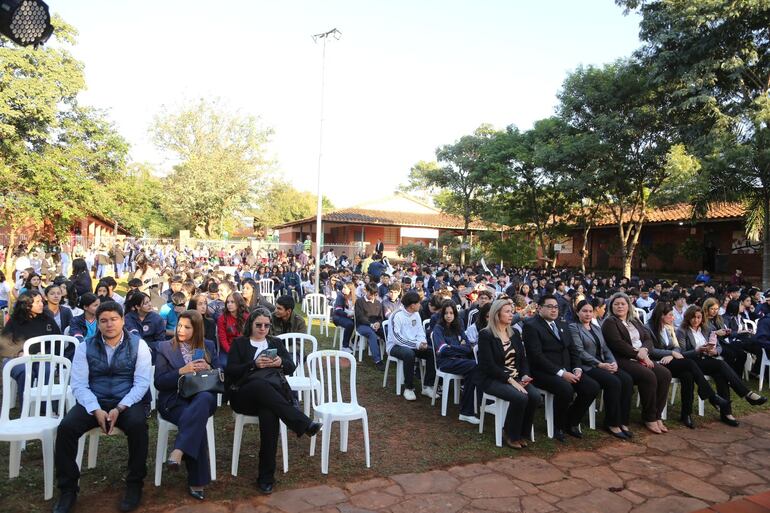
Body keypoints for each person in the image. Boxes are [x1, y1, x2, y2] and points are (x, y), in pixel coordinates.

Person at [52, 301, 152, 513]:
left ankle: (134, 484)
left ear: (123, 320)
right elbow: (79, 384)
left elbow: (142, 383)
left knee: (138, 426)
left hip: (126, 400)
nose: (109, 325)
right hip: (94, 400)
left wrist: (120, 408)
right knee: (66, 428)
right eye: (104, 321)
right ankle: (68, 489)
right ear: (97, 324)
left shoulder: (138, 345)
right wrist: (95, 409)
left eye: (114, 319)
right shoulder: (85, 346)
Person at [225, 308, 321, 494]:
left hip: (270, 399)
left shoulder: (275, 342)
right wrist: (253, 364)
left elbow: (291, 367)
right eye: (258, 325)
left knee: (269, 414)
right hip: (243, 395)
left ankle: (266, 477)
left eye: (267, 325)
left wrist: (279, 363)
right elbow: (230, 371)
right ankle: (302, 422)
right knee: (260, 386)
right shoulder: (240, 343)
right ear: (250, 324)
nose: (262, 329)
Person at [154, 310, 220, 500]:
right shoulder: (165, 347)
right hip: (174, 401)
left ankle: (178, 450)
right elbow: (159, 382)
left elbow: (221, 373)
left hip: (201, 397)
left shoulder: (208, 346)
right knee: (194, 418)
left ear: (197, 329)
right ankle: (197, 481)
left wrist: (210, 368)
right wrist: (182, 371)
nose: (181, 330)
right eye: (179, 326)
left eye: (187, 327)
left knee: (204, 400)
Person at [523, 294, 600, 442]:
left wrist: (577, 368)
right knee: (566, 389)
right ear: (539, 308)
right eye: (549, 307)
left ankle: (570, 422)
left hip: (568, 369)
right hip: (543, 372)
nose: (554, 310)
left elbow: (573, 349)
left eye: (556, 307)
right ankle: (558, 427)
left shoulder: (561, 324)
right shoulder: (531, 326)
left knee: (592, 387)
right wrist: (561, 373)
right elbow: (536, 356)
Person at [676, 305, 766, 427]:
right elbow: (681, 353)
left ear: (702, 318)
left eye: (698, 317)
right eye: (693, 317)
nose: (696, 320)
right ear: (687, 318)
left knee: (721, 375)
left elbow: (718, 346)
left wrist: (715, 351)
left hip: (708, 359)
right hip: (693, 361)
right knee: (720, 364)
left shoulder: (706, 329)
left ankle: (726, 413)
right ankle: (747, 394)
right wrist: (698, 350)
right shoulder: (682, 331)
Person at [646, 302, 729, 428]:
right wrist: (671, 353)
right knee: (690, 363)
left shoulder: (669, 327)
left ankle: (686, 414)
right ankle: (711, 396)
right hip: (657, 363)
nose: (673, 318)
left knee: (688, 375)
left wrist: (672, 354)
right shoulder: (649, 328)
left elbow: (677, 347)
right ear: (661, 316)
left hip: (671, 360)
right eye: (670, 315)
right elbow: (651, 350)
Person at [602, 292, 672, 434]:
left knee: (665, 374)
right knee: (648, 375)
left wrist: (645, 350)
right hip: (623, 359)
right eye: (616, 304)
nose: (620, 306)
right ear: (611, 307)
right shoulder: (610, 322)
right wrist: (639, 355)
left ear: (628, 306)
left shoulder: (634, 320)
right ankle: (649, 417)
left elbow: (648, 339)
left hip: (642, 356)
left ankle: (657, 415)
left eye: (623, 303)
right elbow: (618, 344)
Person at [476, 299, 542, 448]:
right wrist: (511, 381)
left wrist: (524, 375)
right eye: (507, 312)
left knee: (535, 397)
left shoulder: (514, 333)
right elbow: (489, 366)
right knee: (521, 397)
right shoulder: (486, 335)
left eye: (512, 311)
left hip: (516, 377)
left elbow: (523, 358)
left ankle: (521, 433)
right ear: (496, 314)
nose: (511, 314)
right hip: (493, 379)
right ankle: (510, 433)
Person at [568, 299, 633, 439]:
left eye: (590, 311)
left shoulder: (596, 328)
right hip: (588, 366)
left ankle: (623, 420)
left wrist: (613, 362)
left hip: (604, 363)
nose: (588, 314)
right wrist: (600, 364)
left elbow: (606, 348)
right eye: (584, 311)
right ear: (577, 312)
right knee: (613, 382)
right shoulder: (574, 327)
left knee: (627, 380)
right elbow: (580, 352)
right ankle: (612, 423)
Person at [0, 290, 62, 408]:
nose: (41, 304)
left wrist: (47, 354)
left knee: (47, 370)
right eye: (37, 302)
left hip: (42, 357)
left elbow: (57, 340)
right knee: (25, 371)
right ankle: (27, 407)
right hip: (18, 358)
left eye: (41, 301)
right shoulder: (15, 321)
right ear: (27, 305)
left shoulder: (47, 319)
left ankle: (45, 407)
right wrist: (18, 354)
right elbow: (4, 345)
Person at [432, 300, 479, 424]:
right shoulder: (438, 328)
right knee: (474, 365)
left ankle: (467, 410)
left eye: (451, 313)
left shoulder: (458, 326)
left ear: (455, 314)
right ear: (442, 314)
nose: (448, 315)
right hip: (445, 362)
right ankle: (466, 411)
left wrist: (452, 347)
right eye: (446, 313)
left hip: (459, 360)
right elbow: (442, 350)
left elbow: (468, 346)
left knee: (474, 369)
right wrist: (459, 348)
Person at [386, 290, 436, 401]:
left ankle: (427, 386)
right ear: (412, 305)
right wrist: (417, 344)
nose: (420, 305)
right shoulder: (396, 315)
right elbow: (397, 338)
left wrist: (422, 342)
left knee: (431, 352)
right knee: (409, 354)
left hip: (413, 344)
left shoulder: (416, 314)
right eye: (419, 303)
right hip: (395, 346)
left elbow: (420, 331)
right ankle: (408, 388)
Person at [123, 292, 166, 359]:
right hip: (133, 351)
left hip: (153, 353)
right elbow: (133, 334)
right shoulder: (128, 318)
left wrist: (149, 347)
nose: (150, 305)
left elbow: (161, 341)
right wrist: (142, 347)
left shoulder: (157, 319)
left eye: (149, 301)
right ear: (137, 306)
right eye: (145, 303)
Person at [354, 283, 386, 371]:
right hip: (362, 325)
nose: (372, 296)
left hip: (375, 325)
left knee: (386, 332)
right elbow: (360, 317)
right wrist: (371, 324)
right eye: (371, 294)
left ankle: (390, 354)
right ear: (366, 291)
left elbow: (381, 317)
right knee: (372, 334)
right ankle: (377, 360)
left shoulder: (378, 303)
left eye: (375, 295)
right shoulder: (359, 301)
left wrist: (379, 323)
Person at [217, 292, 250, 367]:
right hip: (228, 348)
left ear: (239, 303)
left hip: (243, 348)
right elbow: (223, 339)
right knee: (224, 364)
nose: (229, 304)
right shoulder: (222, 319)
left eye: (232, 302)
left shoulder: (246, 317)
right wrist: (231, 352)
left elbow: (249, 336)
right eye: (228, 302)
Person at [332, 282, 356, 353]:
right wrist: (348, 314)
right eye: (343, 287)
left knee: (359, 323)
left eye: (345, 288)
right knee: (350, 324)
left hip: (348, 317)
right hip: (337, 317)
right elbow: (338, 310)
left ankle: (354, 341)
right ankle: (344, 346)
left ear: (350, 290)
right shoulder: (340, 296)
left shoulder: (354, 298)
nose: (343, 289)